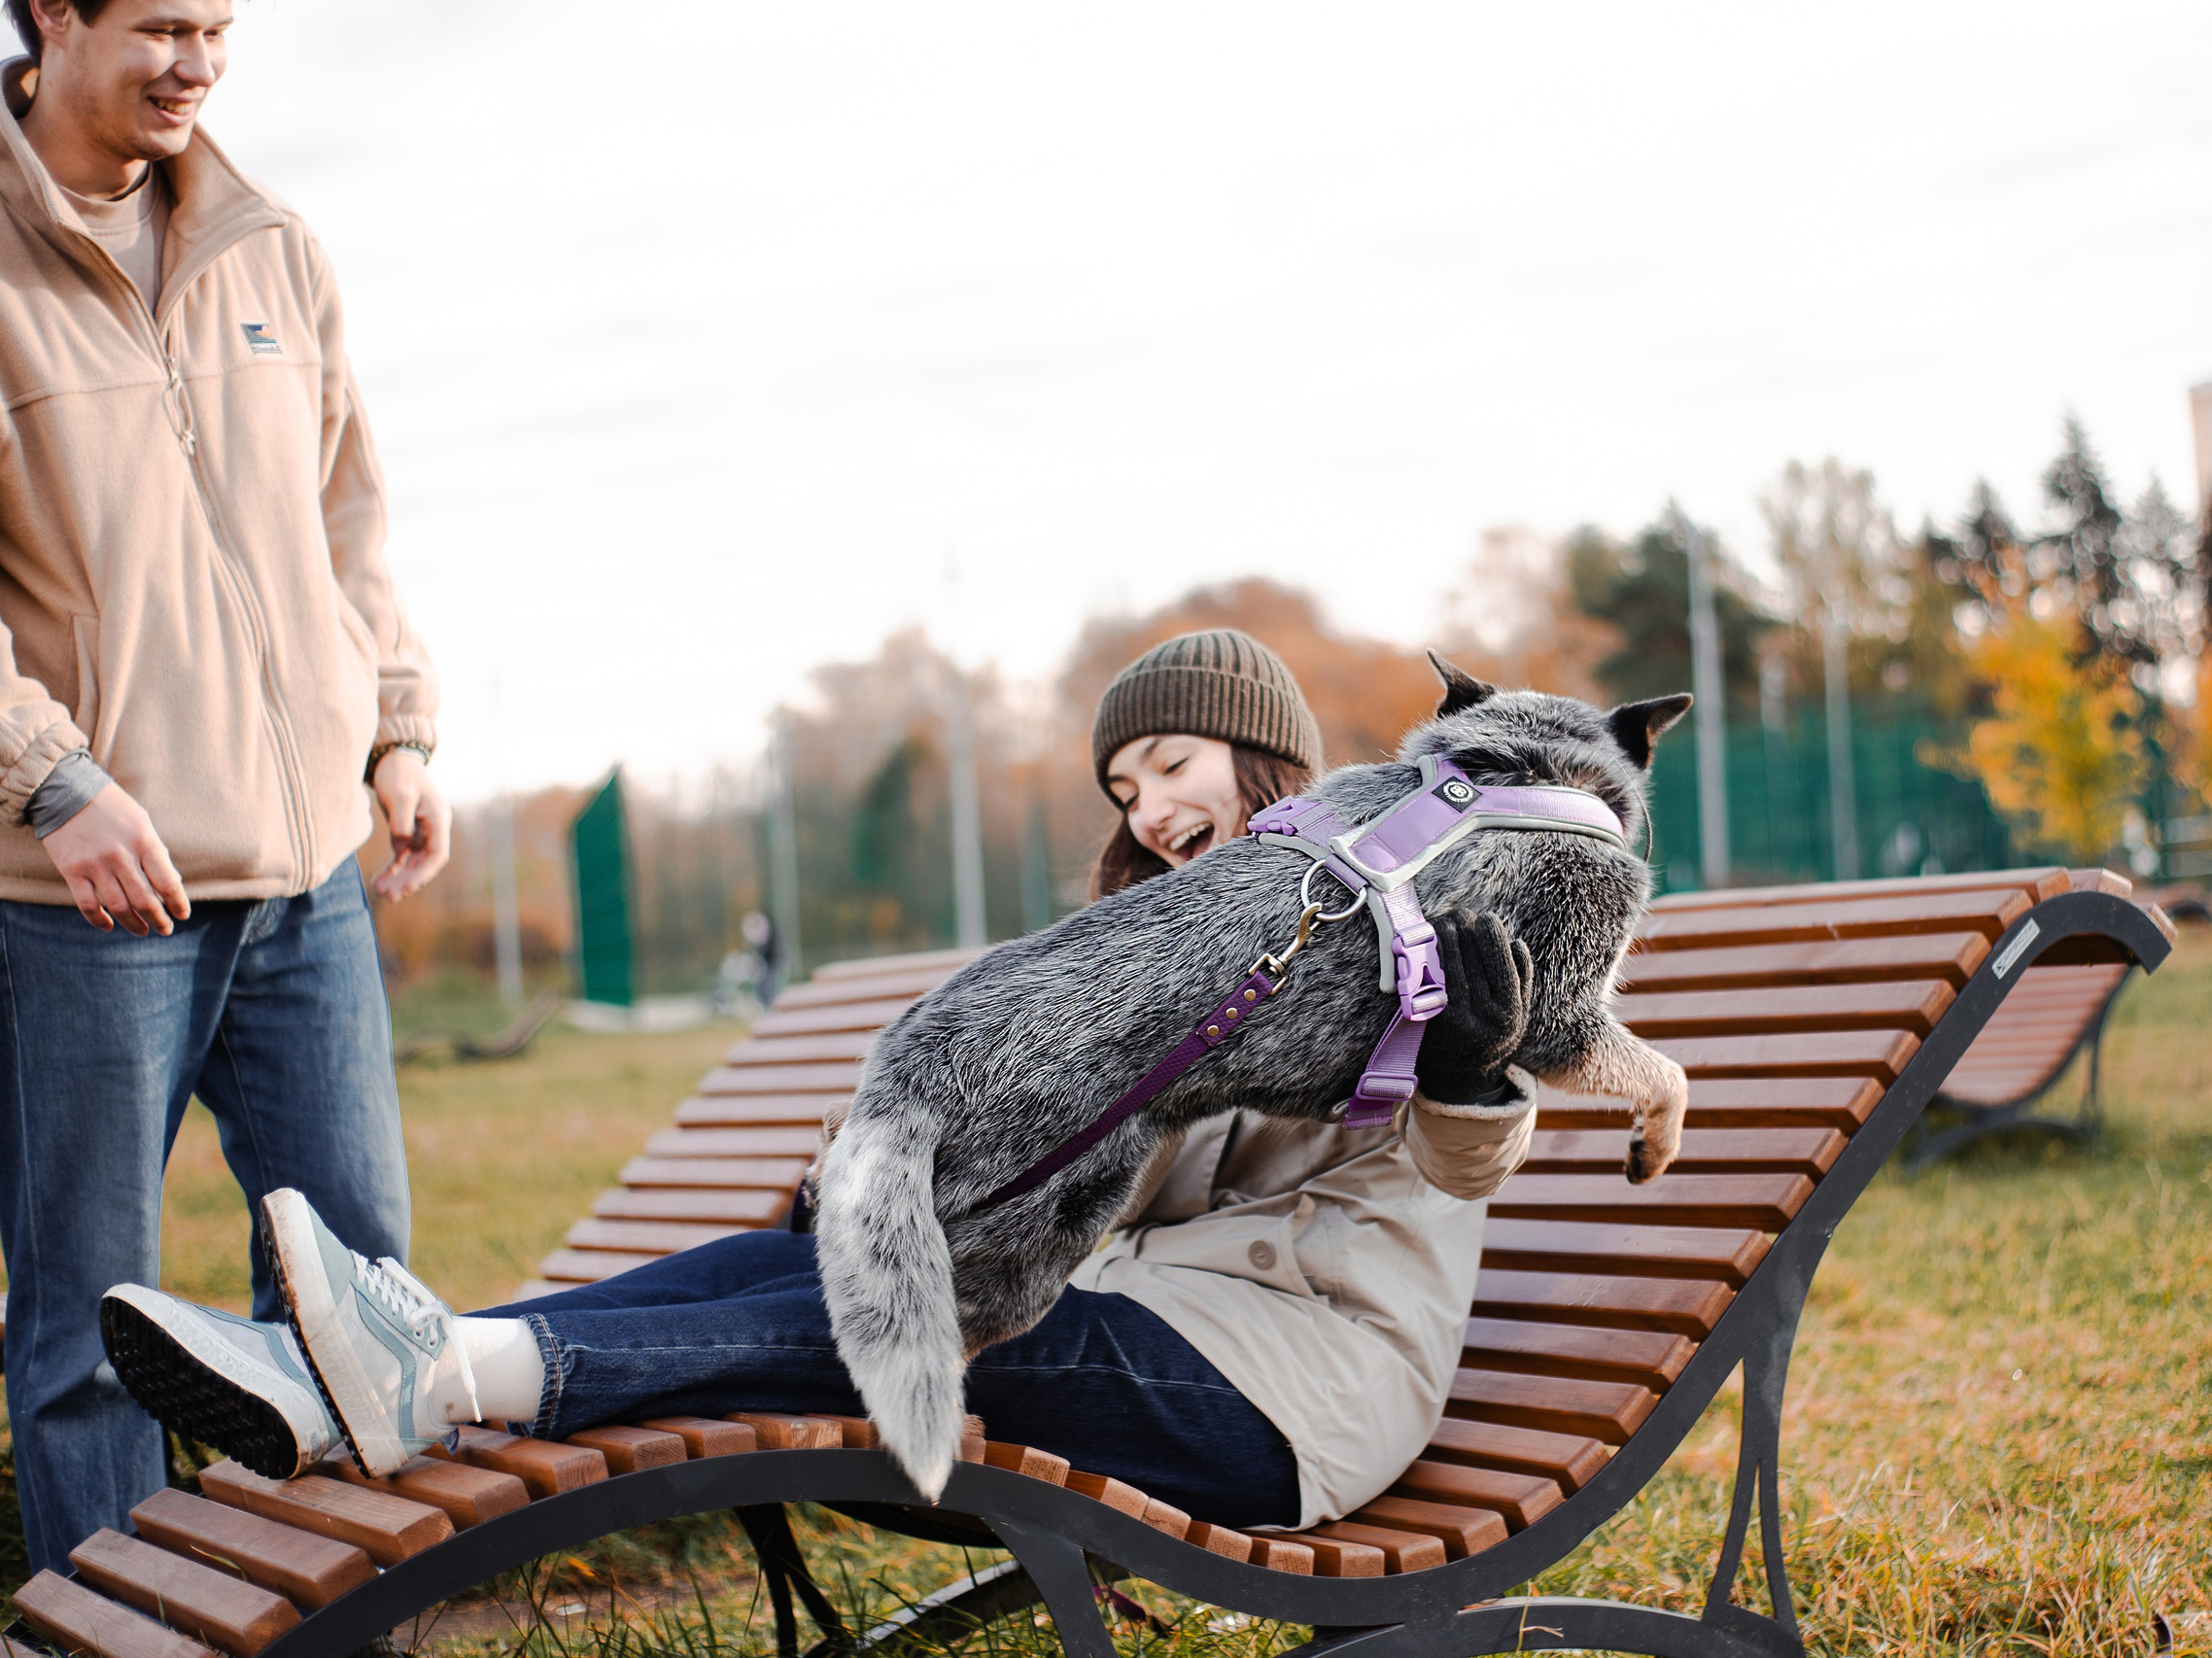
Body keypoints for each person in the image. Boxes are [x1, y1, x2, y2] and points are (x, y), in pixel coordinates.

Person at [102, 631, 1536, 1534]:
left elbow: (1452, 1158)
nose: (1152, 811)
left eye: (1170, 764)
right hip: (1155, 1327)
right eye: (1122, 791)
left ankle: (445, 1374)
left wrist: (1472, 1068)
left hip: (1293, 1389)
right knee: (790, 1252)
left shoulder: (1379, 911)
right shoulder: (1154, 947)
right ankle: (352, 1361)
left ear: (1267, 756)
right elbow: (1093, 1169)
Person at [0, 0, 445, 1572]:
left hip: (307, 871)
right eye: (163, 25)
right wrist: (52, 776)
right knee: (86, 1314)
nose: (200, 62)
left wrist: (392, 724)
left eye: (221, 26)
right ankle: (104, 1615)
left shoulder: (273, 244)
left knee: (363, 1285)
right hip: (84, 894)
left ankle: (324, 1604)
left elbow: (350, 514)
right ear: (54, 14)